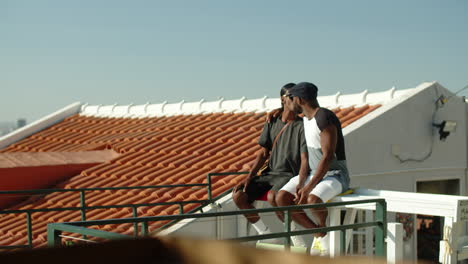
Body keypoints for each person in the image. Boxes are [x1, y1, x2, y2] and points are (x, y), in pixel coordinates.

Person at [276, 82, 350, 255]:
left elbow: (328, 156)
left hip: (335, 175)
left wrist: (308, 187)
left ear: (300, 99)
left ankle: (321, 235)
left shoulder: (324, 117)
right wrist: (302, 182)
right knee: (282, 198)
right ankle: (319, 232)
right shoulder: (306, 119)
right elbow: (306, 159)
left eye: (290, 99)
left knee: (312, 200)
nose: (287, 102)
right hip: (314, 174)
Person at [232, 83, 308, 242]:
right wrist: (249, 176)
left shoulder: (303, 125)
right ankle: (265, 235)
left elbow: (304, 158)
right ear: (283, 99)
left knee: (275, 197)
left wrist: (302, 182)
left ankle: (294, 237)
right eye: (291, 96)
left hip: (289, 174)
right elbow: (263, 153)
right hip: (270, 173)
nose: (295, 100)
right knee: (239, 195)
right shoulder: (272, 121)